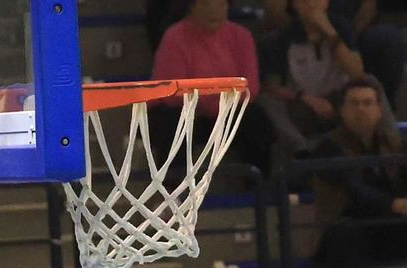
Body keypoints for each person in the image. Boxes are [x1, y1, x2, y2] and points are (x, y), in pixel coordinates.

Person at [312, 75, 407, 268]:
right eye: (354, 103)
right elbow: (357, 193)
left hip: (388, 227)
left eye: (367, 103)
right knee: (343, 232)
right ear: (343, 110)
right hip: (351, 230)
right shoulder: (328, 147)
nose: (361, 109)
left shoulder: (394, 143)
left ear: (379, 110)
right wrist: (399, 204)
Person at [149, 0, 274, 176]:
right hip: (186, 110)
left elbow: (250, 87)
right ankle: (171, 189)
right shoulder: (174, 37)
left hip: (226, 110)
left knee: (257, 121)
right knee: (174, 124)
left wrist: (218, 106)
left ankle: (260, 185)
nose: (213, 10)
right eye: (206, 4)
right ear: (192, 6)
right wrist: (210, 104)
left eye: (220, 4)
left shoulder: (241, 36)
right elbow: (172, 91)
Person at [258, 0, 370, 160]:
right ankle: (301, 153)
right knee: (266, 101)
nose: (312, 3)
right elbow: (271, 87)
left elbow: (357, 73)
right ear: (295, 4)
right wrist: (305, 97)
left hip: (340, 102)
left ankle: (390, 146)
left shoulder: (341, 27)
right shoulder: (280, 39)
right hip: (301, 105)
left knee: (371, 83)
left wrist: (330, 32)